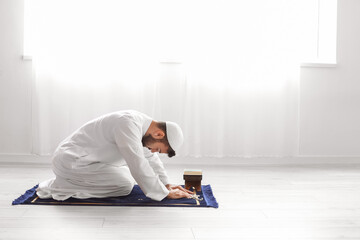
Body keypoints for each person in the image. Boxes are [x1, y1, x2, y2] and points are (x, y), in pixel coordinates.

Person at [36, 110, 193, 201]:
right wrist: (164, 194)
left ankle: (70, 181)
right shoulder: (128, 123)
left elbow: (150, 158)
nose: (154, 152)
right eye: (158, 149)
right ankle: (61, 185)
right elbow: (137, 162)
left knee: (127, 179)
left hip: (88, 163)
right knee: (124, 185)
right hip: (72, 161)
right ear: (159, 134)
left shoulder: (143, 130)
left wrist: (165, 184)